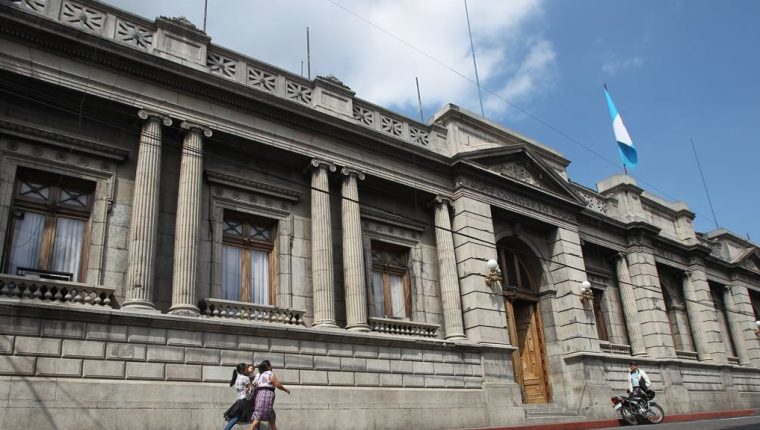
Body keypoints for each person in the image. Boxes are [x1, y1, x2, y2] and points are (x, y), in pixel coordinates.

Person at [247, 360, 290, 430]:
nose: (271, 366)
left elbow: (255, 384)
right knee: (257, 419)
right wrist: (286, 390)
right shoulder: (269, 374)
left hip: (260, 396)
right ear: (268, 367)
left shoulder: (259, 374)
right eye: (270, 365)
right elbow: (278, 385)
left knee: (272, 418)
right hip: (266, 397)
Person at [223, 363, 255, 430]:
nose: (248, 369)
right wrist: (254, 385)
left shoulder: (238, 376)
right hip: (245, 400)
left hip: (240, 400)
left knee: (237, 417)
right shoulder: (245, 378)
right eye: (247, 368)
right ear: (243, 370)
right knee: (255, 418)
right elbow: (250, 390)